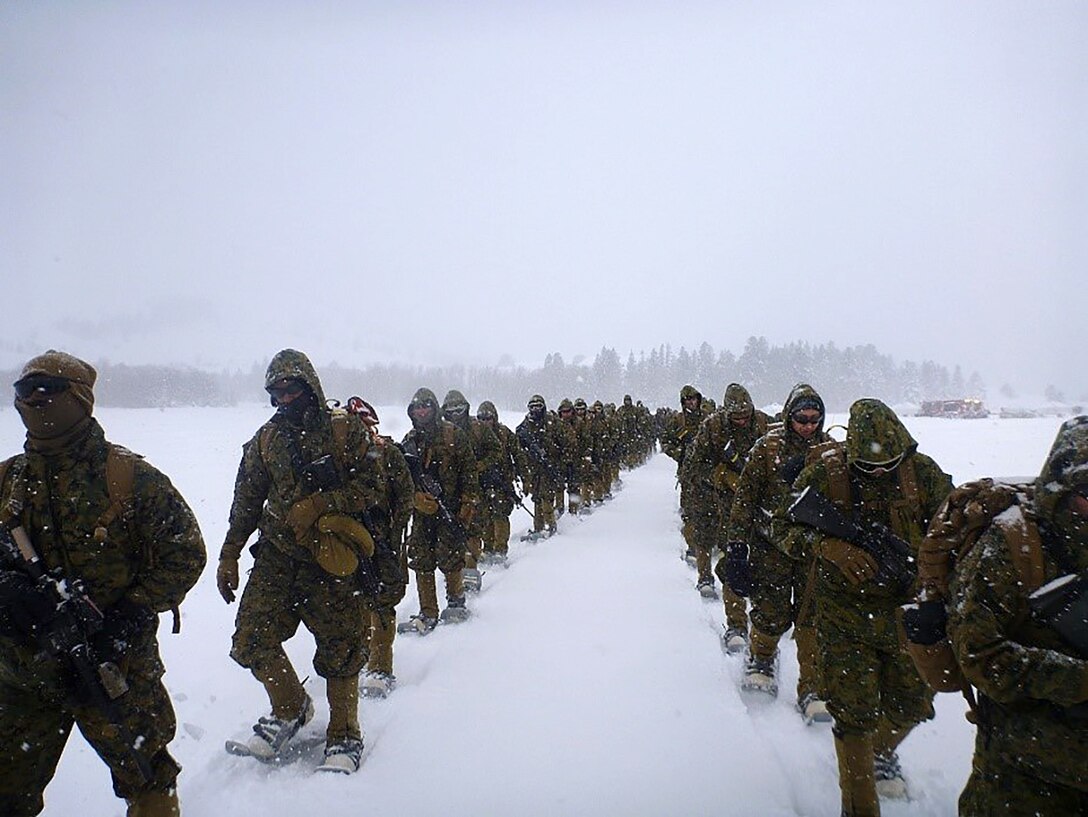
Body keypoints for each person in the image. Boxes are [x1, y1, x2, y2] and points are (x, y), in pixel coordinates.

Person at [0, 351, 206, 816]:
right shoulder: (7, 480)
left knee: (147, 773)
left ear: (78, 398)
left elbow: (185, 552)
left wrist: (131, 613)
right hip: (22, 671)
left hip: (113, 666)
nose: (34, 399)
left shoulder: (130, 479)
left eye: (47, 389)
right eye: (23, 390)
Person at [777, 398, 952, 816]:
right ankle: (858, 803)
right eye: (869, 465)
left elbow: (954, 531)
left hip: (907, 611)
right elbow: (782, 525)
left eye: (887, 464)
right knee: (853, 714)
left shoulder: (922, 474)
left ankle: (880, 751)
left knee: (912, 705)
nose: (878, 472)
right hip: (845, 615)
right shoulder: (827, 473)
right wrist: (829, 547)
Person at [217, 349, 385, 773]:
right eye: (276, 393)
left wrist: (322, 503)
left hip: (329, 555)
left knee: (342, 647)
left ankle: (344, 735)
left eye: (292, 390)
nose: (284, 399)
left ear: (309, 386)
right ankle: (290, 707)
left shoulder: (344, 431)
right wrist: (230, 554)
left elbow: (374, 486)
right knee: (251, 638)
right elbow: (247, 500)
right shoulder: (265, 440)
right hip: (277, 554)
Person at [948, 416, 1088, 816]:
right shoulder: (1013, 545)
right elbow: (977, 654)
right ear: (1062, 488)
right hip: (1024, 776)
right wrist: (1076, 681)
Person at [723, 384, 830, 718]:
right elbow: (745, 500)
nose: (808, 425)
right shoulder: (767, 448)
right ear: (789, 415)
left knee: (812, 617)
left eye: (815, 419)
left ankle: (811, 685)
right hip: (772, 546)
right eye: (802, 418)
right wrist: (737, 547)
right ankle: (762, 658)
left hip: (813, 549)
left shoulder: (830, 451)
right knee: (772, 612)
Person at [682, 383, 770, 650]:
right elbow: (694, 465)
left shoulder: (764, 424)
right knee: (731, 556)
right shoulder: (713, 428)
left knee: (764, 561)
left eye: (746, 415)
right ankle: (736, 623)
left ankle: (764, 621)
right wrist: (721, 476)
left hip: (760, 504)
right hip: (718, 500)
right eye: (737, 417)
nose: (742, 421)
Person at [345, 400, 414, 701]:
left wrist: (393, 534)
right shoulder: (338, 453)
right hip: (349, 540)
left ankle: (380, 666)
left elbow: (405, 494)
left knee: (382, 598)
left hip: (382, 538)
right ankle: (360, 657)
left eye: (362, 423)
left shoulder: (388, 453)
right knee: (354, 600)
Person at [398, 388, 479, 632]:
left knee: (450, 556)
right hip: (423, 513)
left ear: (434, 408)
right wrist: (416, 498)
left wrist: (467, 505)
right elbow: (402, 479)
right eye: (417, 407)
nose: (421, 411)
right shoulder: (410, 440)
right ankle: (428, 612)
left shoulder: (453, 435)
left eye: (426, 406)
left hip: (450, 509)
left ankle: (456, 600)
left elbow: (469, 472)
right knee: (421, 559)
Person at [441, 390, 500, 592]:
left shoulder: (478, 428)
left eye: (459, 408)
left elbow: (496, 450)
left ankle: (469, 569)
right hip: (448, 492)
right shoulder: (440, 431)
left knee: (472, 530)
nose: (455, 413)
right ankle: (456, 574)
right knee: (452, 533)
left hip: (475, 489)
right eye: (451, 409)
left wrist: (479, 466)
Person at [661, 385, 711, 564]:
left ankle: (709, 543)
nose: (691, 402)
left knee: (712, 510)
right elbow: (665, 442)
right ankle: (692, 544)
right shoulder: (677, 420)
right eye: (687, 399)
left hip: (709, 474)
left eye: (693, 398)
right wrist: (679, 453)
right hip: (688, 474)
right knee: (690, 511)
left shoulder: (708, 419)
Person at [475, 401, 528, 564]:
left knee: (500, 515)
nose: (485, 422)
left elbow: (518, 454)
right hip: (482, 482)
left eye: (488, 418)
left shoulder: (504, 434)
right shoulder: (474, 435)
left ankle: (500, 549)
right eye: (482, 418)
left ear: (494, 418)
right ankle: (488, 547)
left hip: (502, 481)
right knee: (484, 516)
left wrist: (525, 476)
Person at [517, 394, 563, 540]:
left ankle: (550, 525)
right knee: (537, 497)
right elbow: (518, 440)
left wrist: (551, 451)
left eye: (538, 406)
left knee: (546, 497)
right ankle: (539, 527)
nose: (535, 409)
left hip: (549, 465)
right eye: (532, 407)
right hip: (534, 468)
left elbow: (564, 443)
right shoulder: (525, 425)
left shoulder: (552, 422)